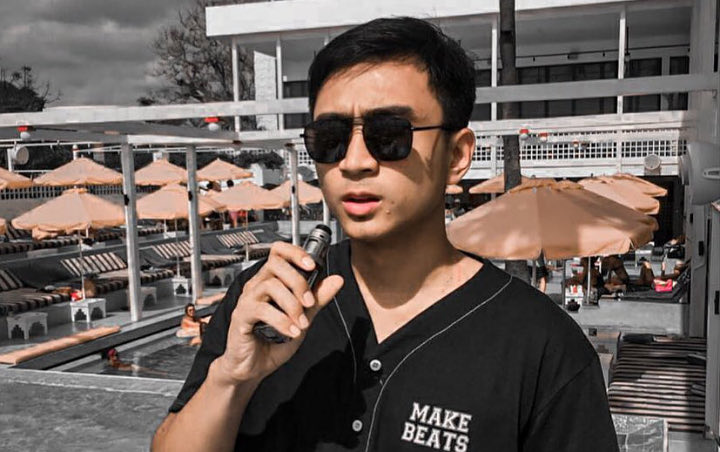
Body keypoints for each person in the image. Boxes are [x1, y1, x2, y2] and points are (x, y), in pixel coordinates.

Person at [153, 17, 617, 452]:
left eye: (390, 135)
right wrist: (231, 378)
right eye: (331, 138)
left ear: (457, 155)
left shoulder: (540, 345)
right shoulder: (266, 301)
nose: (354, 162)